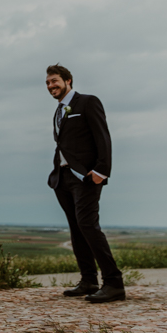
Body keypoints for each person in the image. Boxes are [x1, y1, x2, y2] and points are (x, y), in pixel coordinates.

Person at [45, 64, 124, 303]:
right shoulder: (58, 111)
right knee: (76, 228)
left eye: (55, 81)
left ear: (68, 80)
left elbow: (103, 136)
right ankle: (88, 280)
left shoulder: (88, 102)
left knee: (88, 225)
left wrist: (102, 170)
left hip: (86, 177)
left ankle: (114, 283)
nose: (51, 86)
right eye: (48, 83)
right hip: (63, 178)